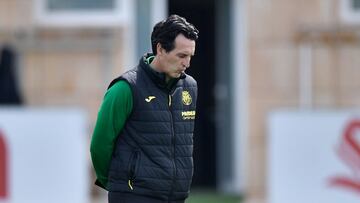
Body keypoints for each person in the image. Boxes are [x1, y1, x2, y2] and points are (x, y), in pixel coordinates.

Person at [90, 14, 199, 203]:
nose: (187, 64)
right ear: (160, 49)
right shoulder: (125, 88)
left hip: (176, 197)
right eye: (181, 55)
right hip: (133, 196)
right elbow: (100, 144)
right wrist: (120, 183)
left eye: (190, 56)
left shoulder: (190, 87)